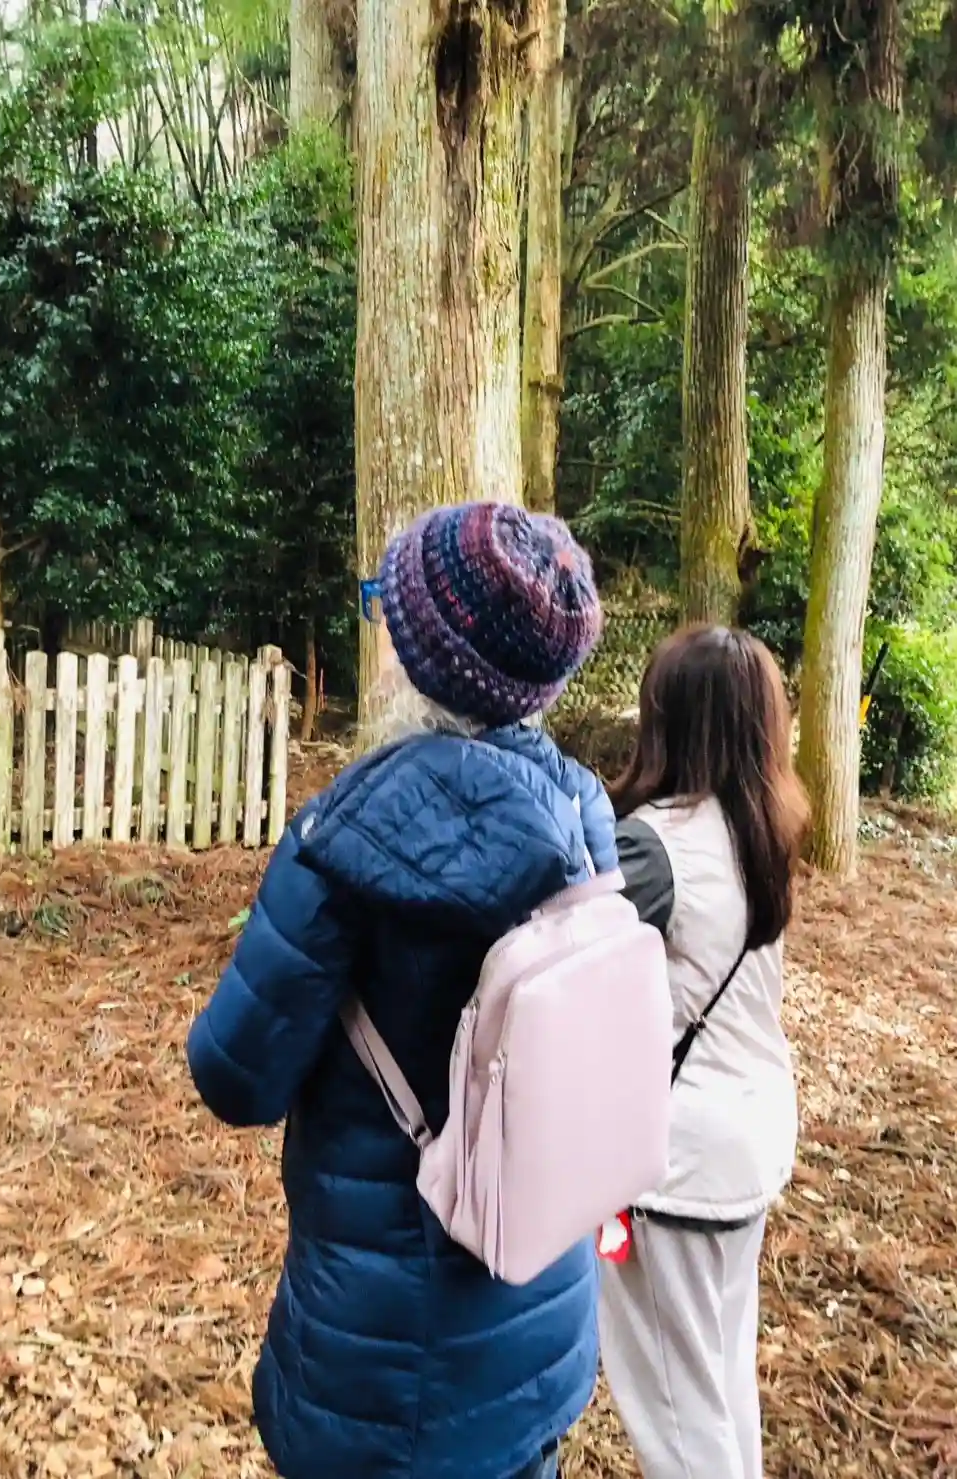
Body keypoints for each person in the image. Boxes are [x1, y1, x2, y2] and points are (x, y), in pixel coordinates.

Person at [186, 502, 618, 1479]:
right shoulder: (588, 817)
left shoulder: (338, 842)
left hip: (380, 1362)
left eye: (386, 607)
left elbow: (234, 1078)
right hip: (540, 1312)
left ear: (423, 660)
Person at [598, 625, 810, 1479]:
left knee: (677, 1416)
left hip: (678, 1162)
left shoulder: (654, 846)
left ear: (668, 717)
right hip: (748, 1135)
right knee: (717, 1380)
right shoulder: (761, 827)